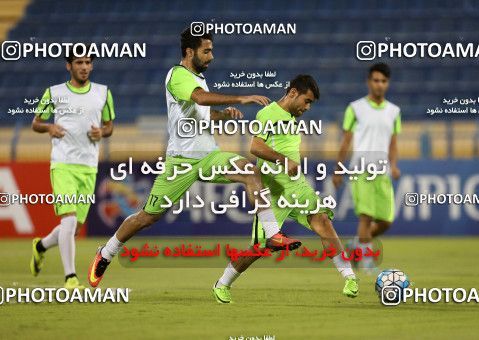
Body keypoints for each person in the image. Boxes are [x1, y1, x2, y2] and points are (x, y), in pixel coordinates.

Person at [88, 27, 302, 287]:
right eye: (207, 51)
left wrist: (223, 115)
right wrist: (241, 97)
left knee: (250, 171)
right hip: (181, 162)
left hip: (209, 157)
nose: (212, 56)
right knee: (148, 217)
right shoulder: (177, 76)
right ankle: (107, 252)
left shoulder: (198, 79)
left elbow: (201, 113)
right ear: (190, 51)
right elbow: (200, 99)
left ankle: (273, 235)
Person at [212, 75, 359, 304]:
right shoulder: (268, 114)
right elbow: (255, 147)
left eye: (311, 103)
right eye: (306, 101)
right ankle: (222, 283)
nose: (307, 107)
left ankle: (349, 277)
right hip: (272, 189)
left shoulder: (291, 117)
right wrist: (283, 160)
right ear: (292, 93)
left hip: (296, 186)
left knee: (322, 221)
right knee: (259, 247)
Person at [30, 46, 115, 289]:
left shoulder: (103, 93)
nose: (84, 67)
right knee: (68, 222)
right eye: (79, 62)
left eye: (88, 62)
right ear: (69, 66)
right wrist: (49, 128)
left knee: (74, 229)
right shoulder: (54, 93)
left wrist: (102, 132)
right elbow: (36, 123)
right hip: (63, 163)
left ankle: (40, 246)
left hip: (88, 166)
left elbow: (109, 126)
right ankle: (71, 277)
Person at [333, 63, 401, 272]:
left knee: (386, 221)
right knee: (366, 216)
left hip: (382, 172)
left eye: (383, 81)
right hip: (361, 170)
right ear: (368, 82)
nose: (379, 84)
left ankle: (357, 244)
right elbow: (346, 141)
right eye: (376, 80)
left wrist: (394, 165)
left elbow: (393, 142)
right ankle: (366, 260)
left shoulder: (394, 111)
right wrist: (338, 168)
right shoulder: (355, 108)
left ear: (387, 83)